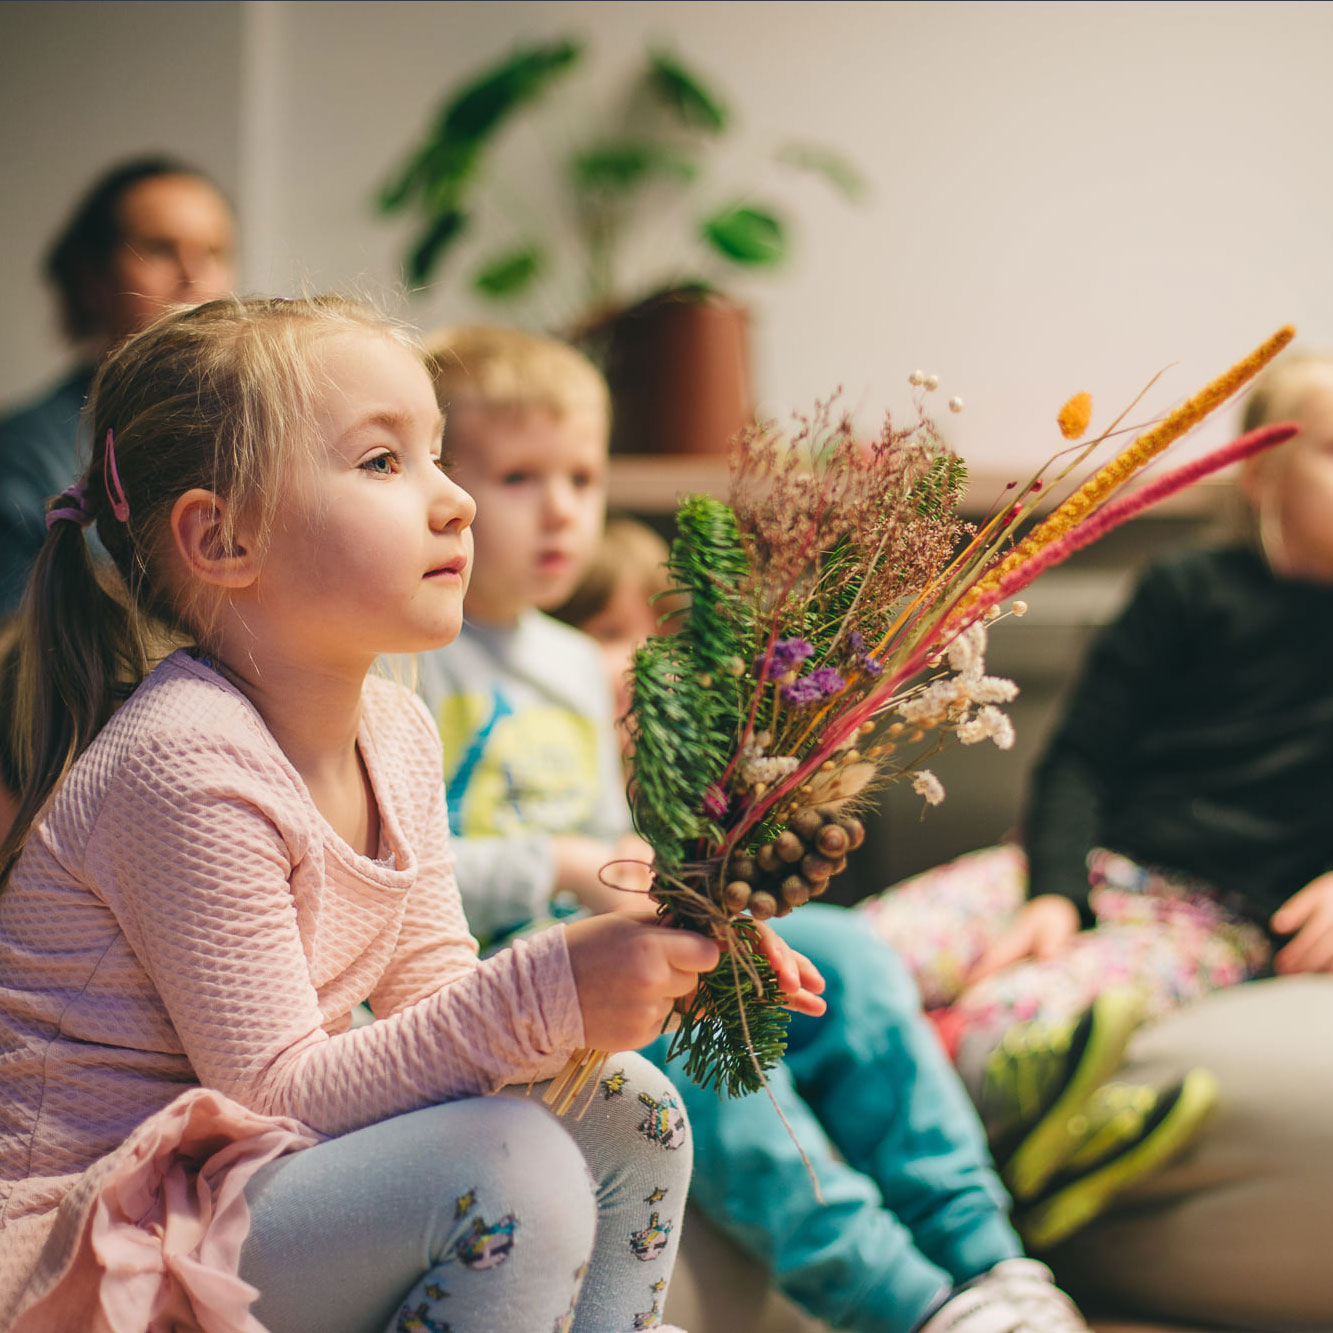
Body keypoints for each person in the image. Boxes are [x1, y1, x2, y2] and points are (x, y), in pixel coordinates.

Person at [0, 294, 779, 1333]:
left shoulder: (397, 729)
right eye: (383, 461)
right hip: (101, 1243)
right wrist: (549, 988)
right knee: (509, 1168)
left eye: (438, 456)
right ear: (222, 536)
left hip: (236, 1183)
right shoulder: (182, 763)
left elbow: (434, 994)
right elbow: (277, 1090)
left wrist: (651, 957)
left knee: (631, 1109)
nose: (454, 501)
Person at [420, 327, 1098, 1333]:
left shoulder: (573, 665)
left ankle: (991, 1264)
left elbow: (615, 839)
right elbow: (395, 876)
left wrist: (684, 893)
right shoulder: (412, 662)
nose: (560, 508)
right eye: (519, 477)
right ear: (443, 489)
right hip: (506, 976)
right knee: (691, 1026)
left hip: (607, 933)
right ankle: (909, 1306)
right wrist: (558, 864)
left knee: (846, 953)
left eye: (582, 477)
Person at [857, 348, 1333, 1250]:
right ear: (1262, 471)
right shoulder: (1185, 588)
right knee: (856, 953)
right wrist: (1053, 892)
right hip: (1077, 864)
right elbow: (1077, 758)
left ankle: (952, 1185)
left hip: (1208, 921)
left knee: (1009, 1027)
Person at [0, 155, 237, 616]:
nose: (193, 274)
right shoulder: (23, 456)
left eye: (214, 252)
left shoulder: (262, 432)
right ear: (93, 279)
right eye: (160, 249)